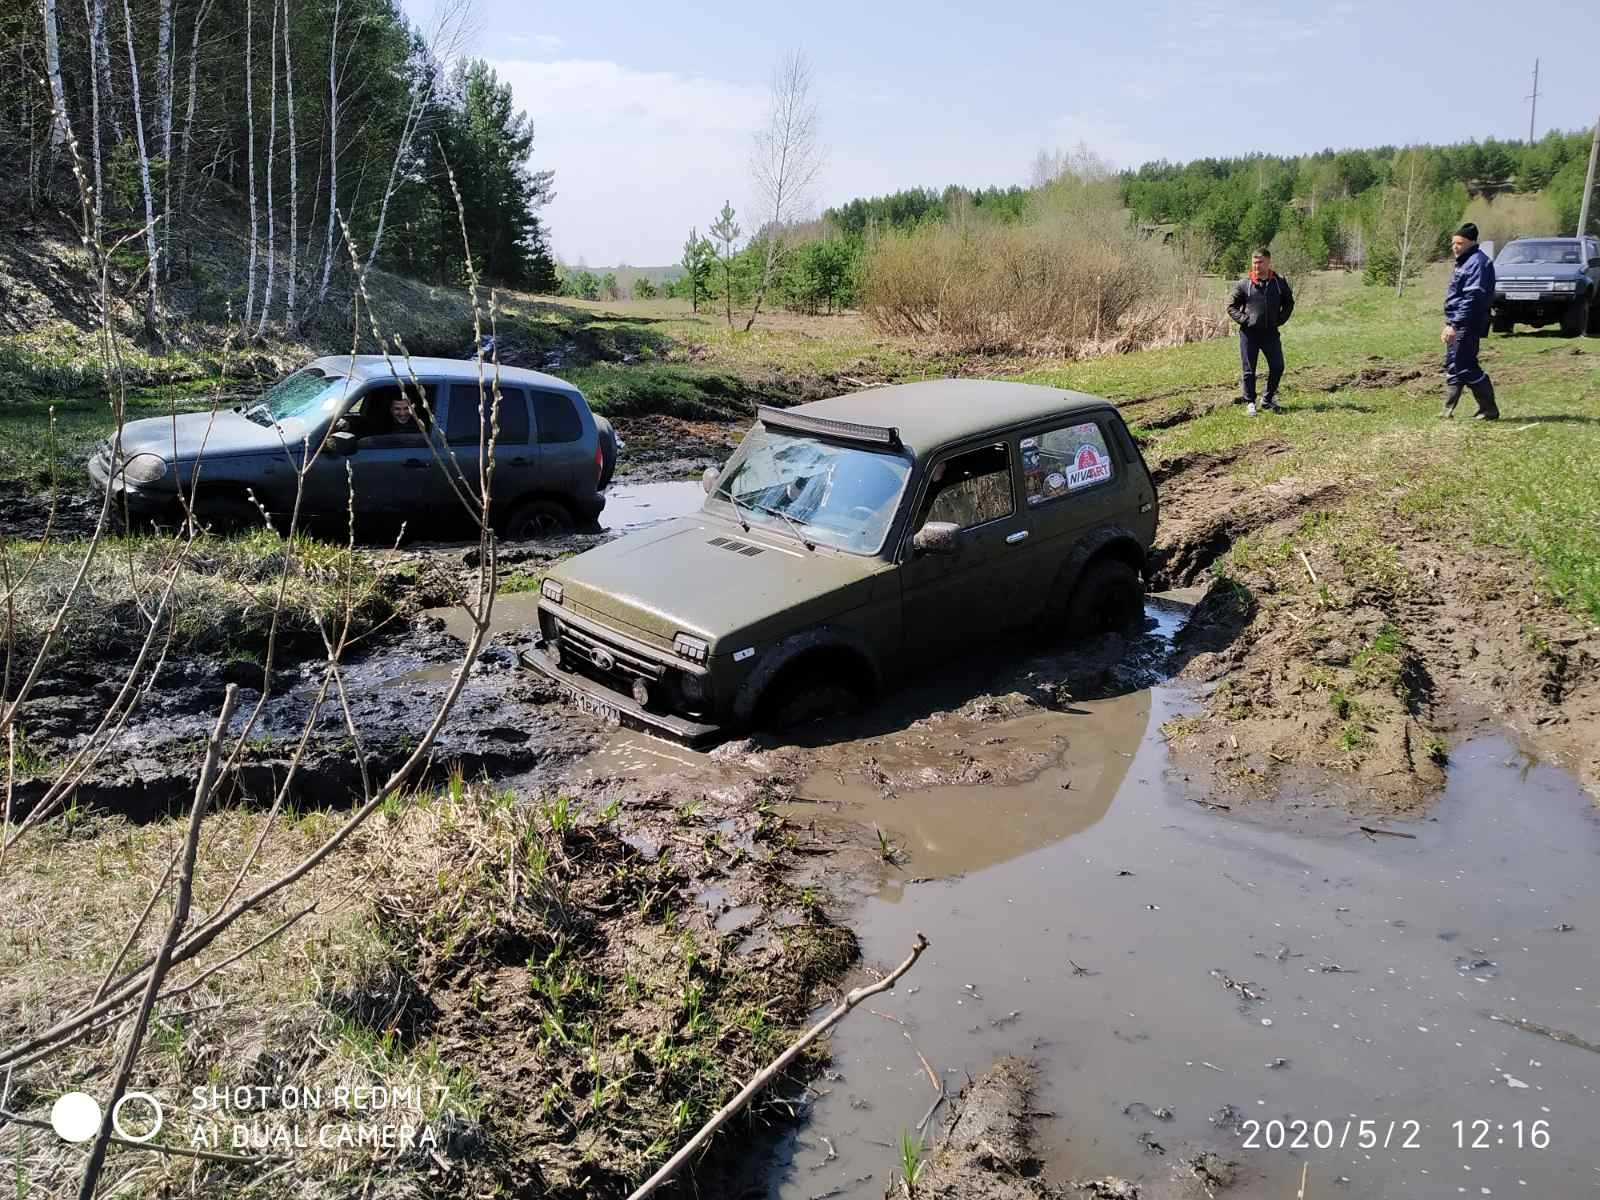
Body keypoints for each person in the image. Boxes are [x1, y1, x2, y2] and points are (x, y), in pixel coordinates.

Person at [1440, 222, 1498, 420]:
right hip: (1458, 321)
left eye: (1460, 243)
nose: (1455, 246)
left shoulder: (1477, 263)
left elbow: (1472, 299)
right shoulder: (1465, 261)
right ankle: (1447, 410)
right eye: (1453, 243)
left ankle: (1489, 409)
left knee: (1465, 365)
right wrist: (1449, 323)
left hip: (1468, 323)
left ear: (1471, 242)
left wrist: (1454, 325)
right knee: (1455, 363)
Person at [1227, 247, 1295, 416]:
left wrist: (1279, 320)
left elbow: (1289, 303)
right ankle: (1250, 402)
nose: (1256, 266)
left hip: (1270, 333)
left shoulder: (1279, 282)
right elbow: (1230, 306)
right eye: (1254, 263)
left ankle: (1268, 398)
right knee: (1249, 370)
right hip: (1249, 334)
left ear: (1268, 262)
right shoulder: (1245, 284)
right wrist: (1245, 320)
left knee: (1278, 366)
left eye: (1260, 262)